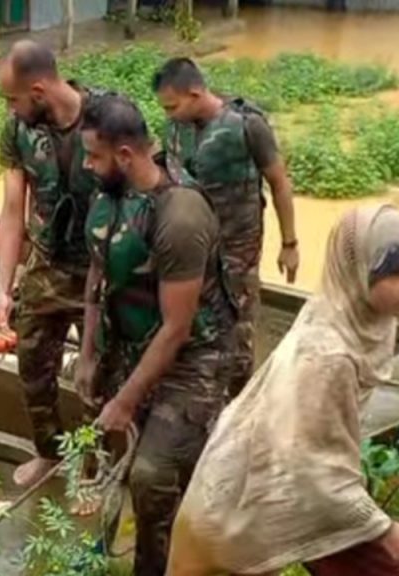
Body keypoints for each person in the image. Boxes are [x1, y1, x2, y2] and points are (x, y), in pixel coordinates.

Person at [168, 205, 399, 576]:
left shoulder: (354, 313)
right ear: (355, 270)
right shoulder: (327, 356)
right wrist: (385, 530)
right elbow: (311, 469)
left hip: (288, 482)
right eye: (395, 271)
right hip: (242, 502)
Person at [77, 96, 235, 575]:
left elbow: (177, 328)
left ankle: (161, 564)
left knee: (151, 477)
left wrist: (125, 400)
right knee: (106, 449)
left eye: (93, 156)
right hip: (130, 344)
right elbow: (97, 274)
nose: (86, 165)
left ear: (125, 156)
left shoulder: (180, 216)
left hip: (191, 359)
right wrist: (87, 355)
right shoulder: (110, 193)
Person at [0, 39, 114, 487]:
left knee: (100, 376)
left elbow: (144, 196)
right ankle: (49, 452)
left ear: (38, 91)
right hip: (48, 265)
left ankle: (97, 467)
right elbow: (11, 208)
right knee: (32, 364)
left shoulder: (108, 118)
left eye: (13, 98)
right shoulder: (18, 129)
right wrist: (4, 289)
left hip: (104, 271)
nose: (11, 108)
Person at [153, 57, 299, 398]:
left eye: (173, 105)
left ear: (195, 93)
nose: (168, 113)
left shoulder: (247, 125)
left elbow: (279, 183)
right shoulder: (175, 126)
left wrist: (289, 243)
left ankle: (238, 404)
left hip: (237, 248)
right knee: (188, 324)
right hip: (191, 246)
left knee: (238, 331)